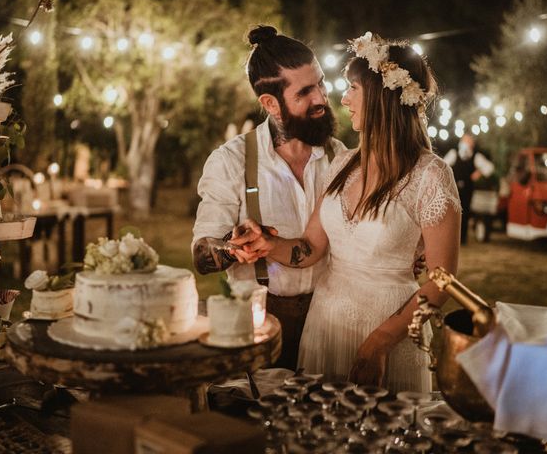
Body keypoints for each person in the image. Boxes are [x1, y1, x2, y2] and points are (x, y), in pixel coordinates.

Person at [233, 32, 461, 392]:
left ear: (382, 96)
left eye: (353, 88)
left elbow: (443, 279)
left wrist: (382, 340)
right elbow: (311, 246)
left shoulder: (430, 175)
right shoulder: (342, 163)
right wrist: (265, 245)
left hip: (390, 328)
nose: (342, 98)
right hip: (325, 325)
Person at [191, 25, 347, 370]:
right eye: (304, 92)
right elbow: (202, 254)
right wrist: (233, 247)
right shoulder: (231, 161)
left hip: (333, 323)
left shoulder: (341, 158)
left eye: (320, 83)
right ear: (270, 104)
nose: (321, 98)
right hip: (259, 326)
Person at [443, 133, 494, 244]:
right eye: (464, 140)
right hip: (454, 188)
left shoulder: (476, 156)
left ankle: (463, 239)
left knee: (465, 212)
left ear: (472, 144)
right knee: (452, 212)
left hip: (468, 189)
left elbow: (489, 168)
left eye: (468, 141)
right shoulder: (454, 153)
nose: (466, 143)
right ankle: (450, 238)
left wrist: (479, 172)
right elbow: (442, 166)